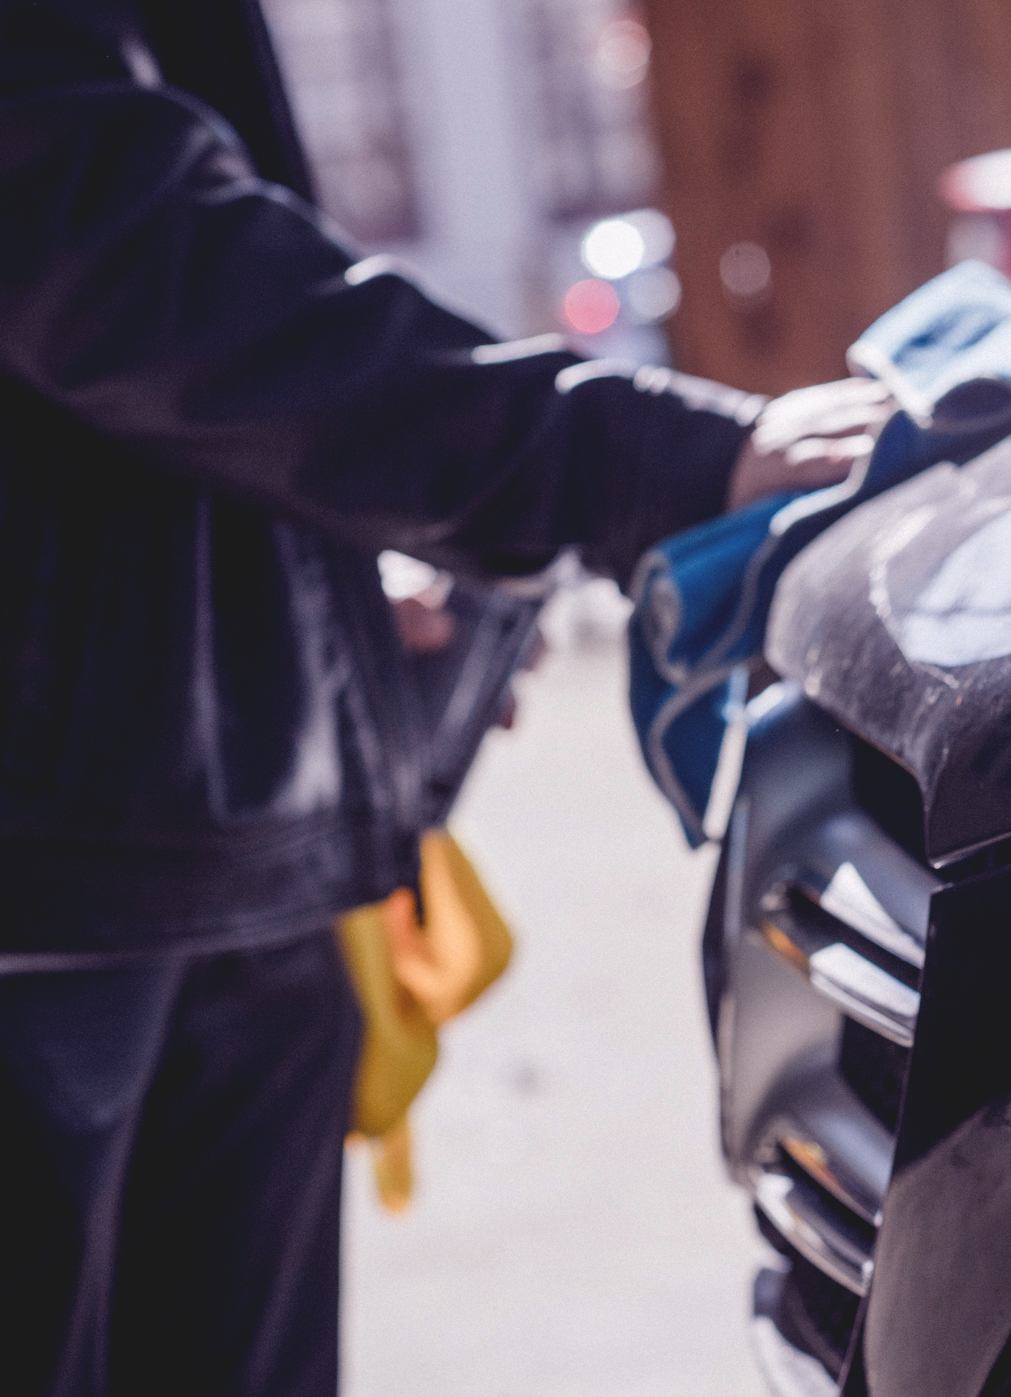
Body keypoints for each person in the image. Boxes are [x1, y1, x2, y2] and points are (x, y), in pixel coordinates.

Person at [0, 2, 893, 1393]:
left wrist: (319, 588)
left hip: (185, 835)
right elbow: (111, 243)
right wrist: (624, 463)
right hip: (60, 883)